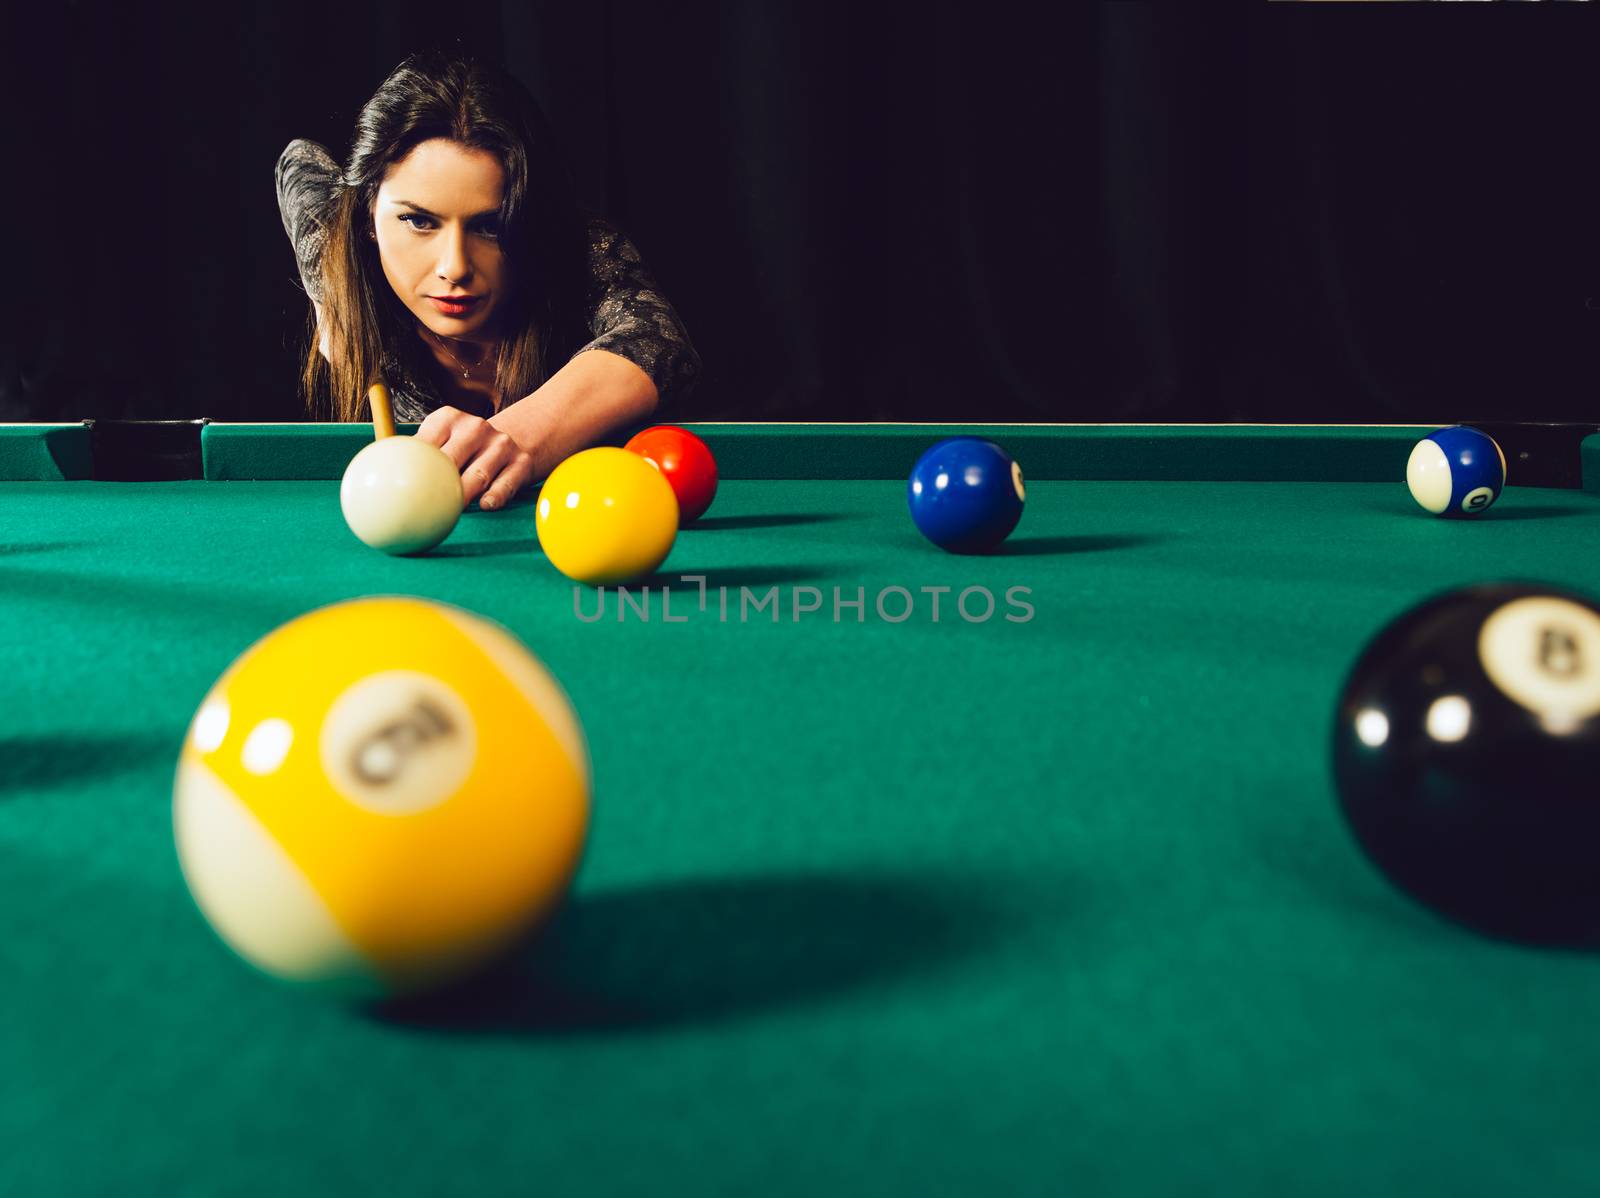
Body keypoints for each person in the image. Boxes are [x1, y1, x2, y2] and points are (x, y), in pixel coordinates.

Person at [276, 52, 701, 511]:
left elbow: (659, 344)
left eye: (490, 226)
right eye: (418, 221)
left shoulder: (581, 248)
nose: (454, 267)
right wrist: (328, 295)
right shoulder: (339, 244)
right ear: (368, 218)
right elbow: (297, 160)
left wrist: (512, 437)